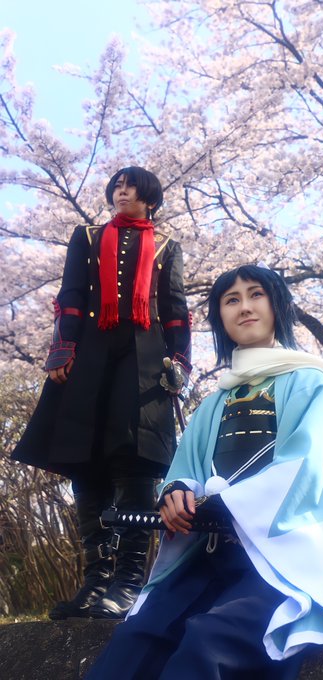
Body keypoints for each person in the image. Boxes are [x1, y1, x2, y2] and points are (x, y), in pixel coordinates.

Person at [87, 263, 323, 680]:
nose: (244, 307)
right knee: (138, 636)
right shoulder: (213, 402)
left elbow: (306, 467)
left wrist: (227, 503)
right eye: (231, 300)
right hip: (209, 552)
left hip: (286, 557)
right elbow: (186, 468)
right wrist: (176, 491)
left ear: (277, 305)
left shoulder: (311, 382)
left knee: (210, 638)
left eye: (256, 295)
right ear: (220, 319)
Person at [11, 166, 191, 621]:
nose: (121, 192)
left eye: (130, 187)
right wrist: (63, 348)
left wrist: (180, 363)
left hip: (145, 361)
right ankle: (95, 581)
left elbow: (175, 310)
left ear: (150, 198)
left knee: (136, 459)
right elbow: (71, 295)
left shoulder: (167, 245)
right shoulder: (87, 236)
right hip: (91, 354)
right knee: (84, 456)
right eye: (117, 186)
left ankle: (128, 582)